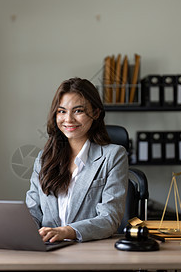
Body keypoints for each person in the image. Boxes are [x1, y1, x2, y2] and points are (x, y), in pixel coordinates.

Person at [26, 77, 128, 243]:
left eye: (78, 111)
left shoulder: (114, 156)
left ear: (95, 113)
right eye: (62, 111)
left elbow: (109, 219)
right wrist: (20, 228)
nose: (68, 119)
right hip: (48, 251)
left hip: (89, 252)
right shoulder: (44, 159)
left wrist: (66, 232)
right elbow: (33, 211)